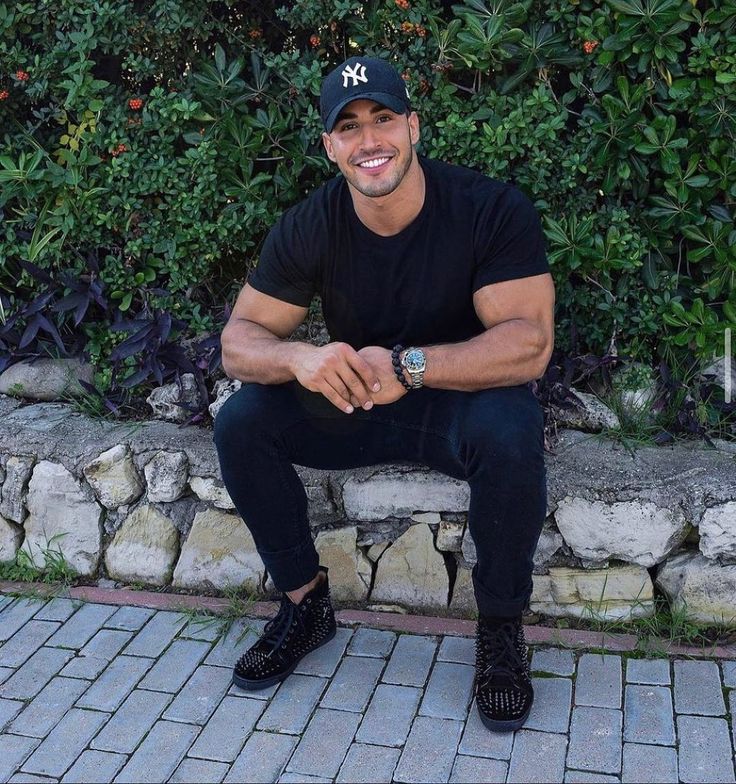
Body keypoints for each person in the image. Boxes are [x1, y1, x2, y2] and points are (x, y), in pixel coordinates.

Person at [214, 55, 555, 733]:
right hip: (362, 403)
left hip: (460, 401)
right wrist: (302, 358)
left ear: (413, 126)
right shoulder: (313, 223)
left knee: (513, 432)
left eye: (383, 118)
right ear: (330, 147)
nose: (370, 140)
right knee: (243, 419)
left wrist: (413, 365)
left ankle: (500, 633)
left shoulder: (487, 209)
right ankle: (305, 605)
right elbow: (238, 343)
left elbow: (528, 343)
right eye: (349, 128)